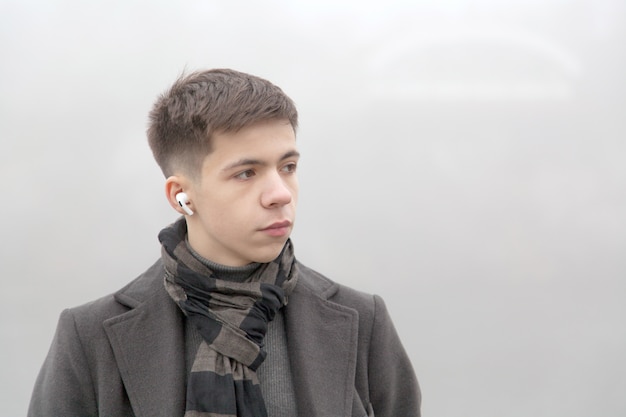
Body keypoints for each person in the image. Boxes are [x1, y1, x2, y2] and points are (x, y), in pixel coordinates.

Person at [28, 68, 421, 417]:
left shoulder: (362, 320)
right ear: (181, 195)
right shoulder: (90, 337)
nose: (280, 193)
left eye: (288, 167)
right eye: (247, 173)